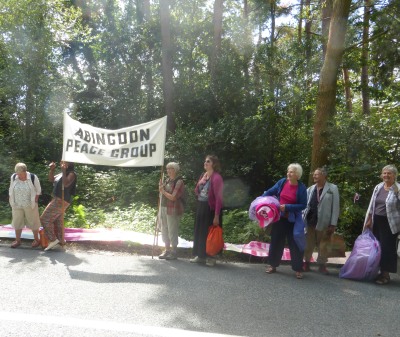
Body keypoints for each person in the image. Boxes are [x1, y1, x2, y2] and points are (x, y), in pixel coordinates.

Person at [262, 163, 307, 279]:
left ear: (297, 175)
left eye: (291, 172)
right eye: (288, 171)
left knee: (295, 244)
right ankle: (273, 265)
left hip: (293, 220)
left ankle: (298, 269)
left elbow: (303, 205)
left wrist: (288, 207)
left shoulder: (301, 188)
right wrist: (262, 199)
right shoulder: (282, 182)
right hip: (279, 218)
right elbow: (270, 191)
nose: (288, 173)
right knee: (276, 241)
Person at [364, 164, 400, 285]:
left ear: (395, 175)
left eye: (389, 173)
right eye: (384, 173)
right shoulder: (378, 187)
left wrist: (397, 191)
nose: (386, 175)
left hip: (390, 223)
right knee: (376, 247)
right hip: (376, 221)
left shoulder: (398, 188)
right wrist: (369, 219)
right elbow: (372, 204)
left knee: (387, 248)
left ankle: (385, 274)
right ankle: (376, 271)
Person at [303, 167, 340, 274]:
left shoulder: (333, 189)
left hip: (325, 222)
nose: (314, 176)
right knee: (308, 244)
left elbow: (335, 207)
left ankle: (322, 265)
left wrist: (333, 223)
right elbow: (306, 205)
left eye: (316, 174)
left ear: (324, 176)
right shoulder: (310, 189)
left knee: (323, 244)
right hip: (310, 221)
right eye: (314, 174)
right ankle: (306, 263)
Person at [190, 155, 223, 267]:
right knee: (200, 232)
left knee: (210, 234)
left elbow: (219, 198)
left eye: (208, 161)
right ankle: (200, 256)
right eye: (205, 161)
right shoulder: (203, 175)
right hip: (201, 206)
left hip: (211, 210)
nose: (205, 163)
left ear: (213, 164)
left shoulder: (217, 178)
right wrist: (201, 183)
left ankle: (211, 257)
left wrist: (216, 215)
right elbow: (197, 190)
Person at [41, 161, 77, 251]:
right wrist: (52, 170)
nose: (61, 163)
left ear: (68, 164)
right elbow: (51, 179)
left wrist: (64, 171)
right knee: (58, 221)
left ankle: (53, 240)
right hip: (58, 199)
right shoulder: (62, 173)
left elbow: (65, 184)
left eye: (63, 162)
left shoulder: (72, 174)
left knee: (44, 219)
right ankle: (61, 241)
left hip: (61, 200)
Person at [8, 163, 42, 248]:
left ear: (25, 171)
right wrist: (11, 199)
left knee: (33, 222)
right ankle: (18, 240)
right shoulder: (13, 177)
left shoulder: (33, 177)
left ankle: (37, 240)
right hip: (16, 205)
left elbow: (38, 190)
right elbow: (11, 188)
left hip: (30, 205)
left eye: (20, 173)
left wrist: (35, 200)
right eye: (17, 173)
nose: (18, 175)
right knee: (17, 222)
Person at [158, 162, 185, 260]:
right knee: (164, 229)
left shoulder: (179, 181)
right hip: (163, 207)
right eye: (167, 168)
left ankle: (174, 251)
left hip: (173, 209)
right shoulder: (167, 180)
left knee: (172, 230)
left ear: (175, 170)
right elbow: (161, 194)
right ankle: (167, 250)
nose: (168, 170)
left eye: (171, 168)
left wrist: (163, 191)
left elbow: (173, 197)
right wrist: (160, 187)